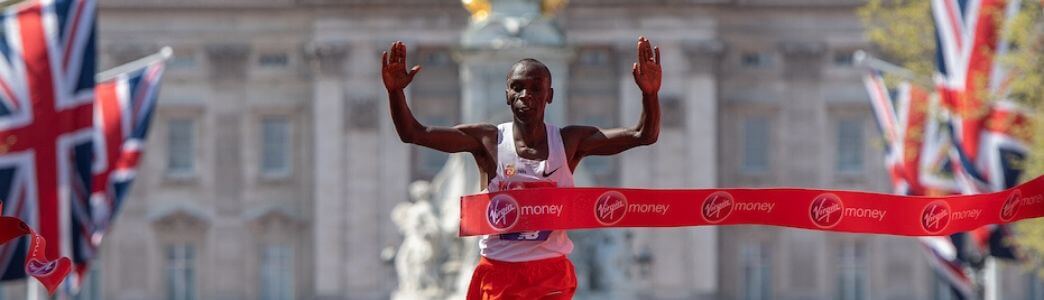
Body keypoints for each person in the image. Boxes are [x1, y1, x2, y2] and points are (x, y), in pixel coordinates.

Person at [382, 36, 662, 299]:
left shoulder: (569, 142)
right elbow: (414, 133)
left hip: (550, 273)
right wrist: (395, 92)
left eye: (535, 88)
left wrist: (650, 95)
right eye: (517, 87)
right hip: (498, 271)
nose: (526, 95)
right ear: (507, 94)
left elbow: (643, 135)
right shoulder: (487, 140)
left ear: (549, 95)